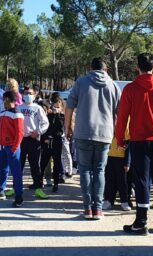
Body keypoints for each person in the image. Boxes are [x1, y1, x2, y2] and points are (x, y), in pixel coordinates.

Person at [115, 53, 153, 235]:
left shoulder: (130, 89)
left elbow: (122, 116)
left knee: (141, 180)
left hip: (139, 140)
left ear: (137, 67)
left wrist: (120, 138)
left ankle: (141, 221)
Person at [65, 57, 121, 220]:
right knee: (99, 170)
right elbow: (120, 112)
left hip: (83, 131)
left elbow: (69, 106)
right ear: (106, 69)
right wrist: (117, 132)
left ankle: (88, 208)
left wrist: (67, 126)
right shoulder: (113, 85)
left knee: (85, 170)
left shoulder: (81, 82)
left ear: (91, 68)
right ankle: (98, 209)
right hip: (104, 134)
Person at [0, 90, 25, 207]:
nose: (3, 101)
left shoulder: (17, 114)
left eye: (4, 99)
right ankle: (1, 191)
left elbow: (20, 133)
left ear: (8, 99)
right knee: (3, 169)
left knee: (16, 172)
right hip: (1, 146)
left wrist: (15, 147)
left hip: (11, 147)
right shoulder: (2, 113)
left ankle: (19, 196)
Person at [18, 88, 49, 199]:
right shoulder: (18, 108)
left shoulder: (37, 108)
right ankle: (16, 187)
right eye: (26, 93)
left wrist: (38, 132)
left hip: (33, 139)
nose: (28, 95)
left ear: (34, 95)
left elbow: (45, 122)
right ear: (22, 95)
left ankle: (38, 187)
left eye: (30, 93)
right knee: (18, 165)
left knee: (35, 165)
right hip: (21, 140)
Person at [102, 126, 131, 212]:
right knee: (109, 180)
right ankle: (108, 201)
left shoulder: (126, 125)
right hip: (109, 156)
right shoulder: (109, 125)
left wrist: (127, 162)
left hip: (121, 158)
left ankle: (124, 201)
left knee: (122, 182)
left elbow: (129, 146)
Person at [40, 97, 65, 193]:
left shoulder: (62, 116)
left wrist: (58, 114)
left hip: (56, 141)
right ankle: (40, 181)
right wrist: (45, 138)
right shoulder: (48, 115)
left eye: (59, 104)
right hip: (47, 141)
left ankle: (56, 183)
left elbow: (61, 129)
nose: (57, 106)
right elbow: (45, 126)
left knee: (56, 163)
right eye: (55, 104)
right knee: (43, 163)